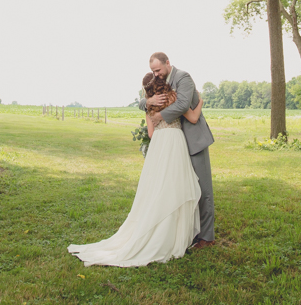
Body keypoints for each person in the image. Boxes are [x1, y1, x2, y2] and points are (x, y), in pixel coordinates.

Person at [67, 71, 204, 267]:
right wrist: (199, 103)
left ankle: (156, 228)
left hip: (159, 145)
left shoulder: (149, 106)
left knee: (157, 187)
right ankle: (173, 233)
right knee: (175, 185)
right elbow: (192, 118)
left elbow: (150, 133)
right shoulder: (173, 97)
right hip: (176, 142)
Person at [143, 52, 216, 250]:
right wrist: (148, 103)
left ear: (168, 63)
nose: (156, 74)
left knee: (202, 188)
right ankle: (188, 232)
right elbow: (145, 100)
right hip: (175, 142)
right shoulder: (161, 82)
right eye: (153, 71)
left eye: (158, 70)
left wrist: (159, 116)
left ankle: (207, 236)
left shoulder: (183, 77)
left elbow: (183, 104)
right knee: (181, 188)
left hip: (193, 139)